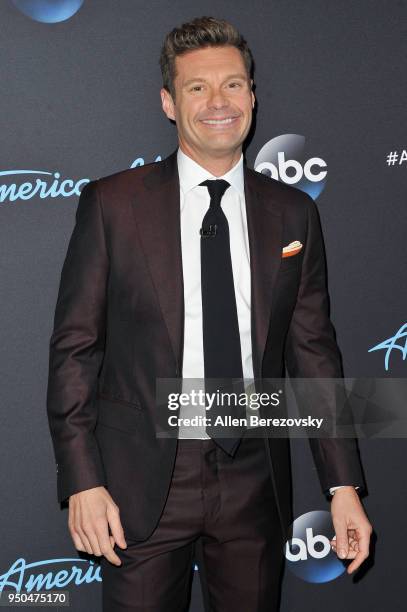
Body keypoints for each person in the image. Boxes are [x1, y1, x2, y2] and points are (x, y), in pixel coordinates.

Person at [46, 15, 372, 612]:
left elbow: (313, 354)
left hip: (254, 478)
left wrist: (343, 485)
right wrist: (82, 481)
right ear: (169, 103)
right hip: (141, 482)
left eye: (233, 85)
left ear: (252, 95)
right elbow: (75, 350)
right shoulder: (112, 205)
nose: (218, 102)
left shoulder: (294, 213)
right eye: (197, 88)